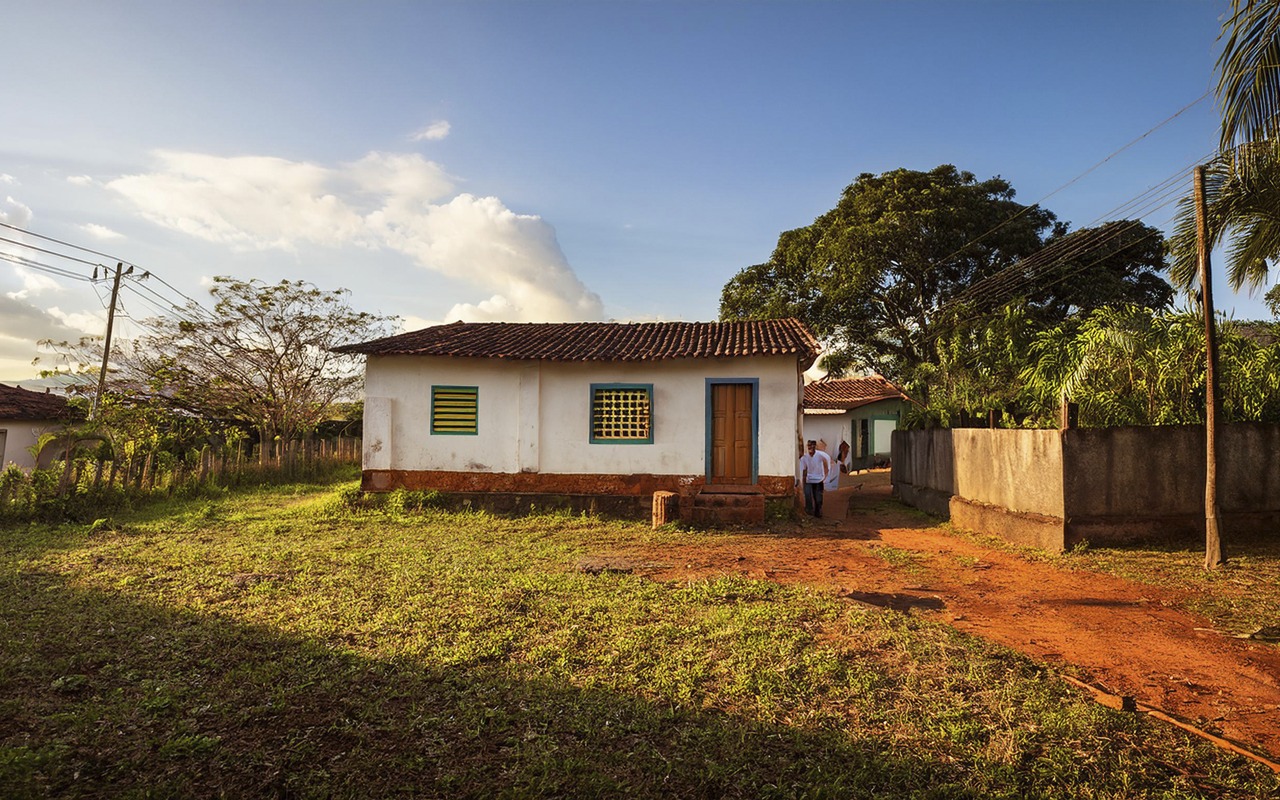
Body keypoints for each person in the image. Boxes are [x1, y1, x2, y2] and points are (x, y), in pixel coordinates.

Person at [798, 439, 827, 517]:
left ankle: (818, 511)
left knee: (818, 497)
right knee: (807, 494)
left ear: (815, 447)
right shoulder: (805, 458)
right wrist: (803, 481)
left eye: (813, 446)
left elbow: (826, 464)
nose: (811, 448)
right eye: (809, 446)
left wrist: (825, 476)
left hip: (819, 479)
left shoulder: (820, 456)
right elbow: (803, 470)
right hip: (809, 479)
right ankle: (809, 510)